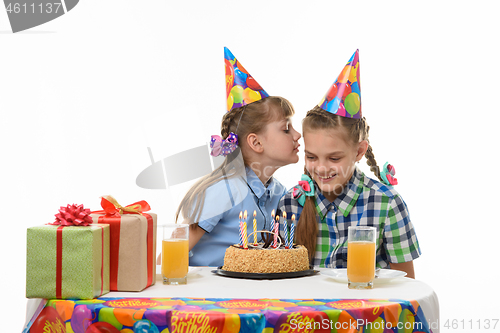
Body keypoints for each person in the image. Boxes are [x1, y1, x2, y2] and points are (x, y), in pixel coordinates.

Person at [278, 50, 420, 278]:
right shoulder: (291, 205)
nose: (321, 168)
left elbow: (406, 288)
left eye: (334, 158)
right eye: (312, 157)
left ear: (359, 151)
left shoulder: (387, 205)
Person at [176, 47, 301, 267]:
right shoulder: (223, 191)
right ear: (256, 142)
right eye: (286, 128)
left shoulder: (279, 193)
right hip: (208, 296)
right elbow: (169, 257)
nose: (298, 135)